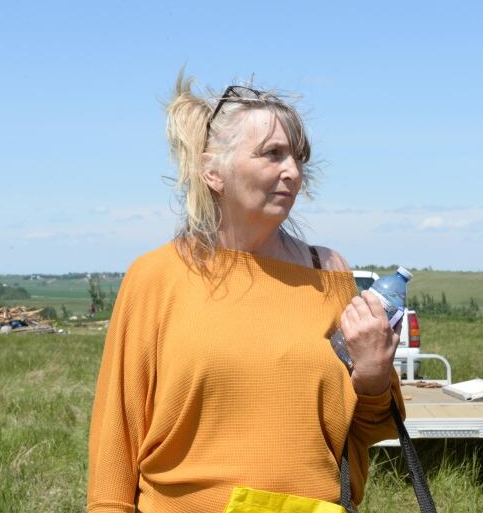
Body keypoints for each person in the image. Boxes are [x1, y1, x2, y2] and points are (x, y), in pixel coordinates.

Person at [87, 73, 404, 513]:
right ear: (212, 170)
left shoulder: (328, 272)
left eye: (297, 157)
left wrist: (373, 374)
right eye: (272, 154)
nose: (292, 171)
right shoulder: (156, 277)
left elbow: (374, 429)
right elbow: (116, 436)